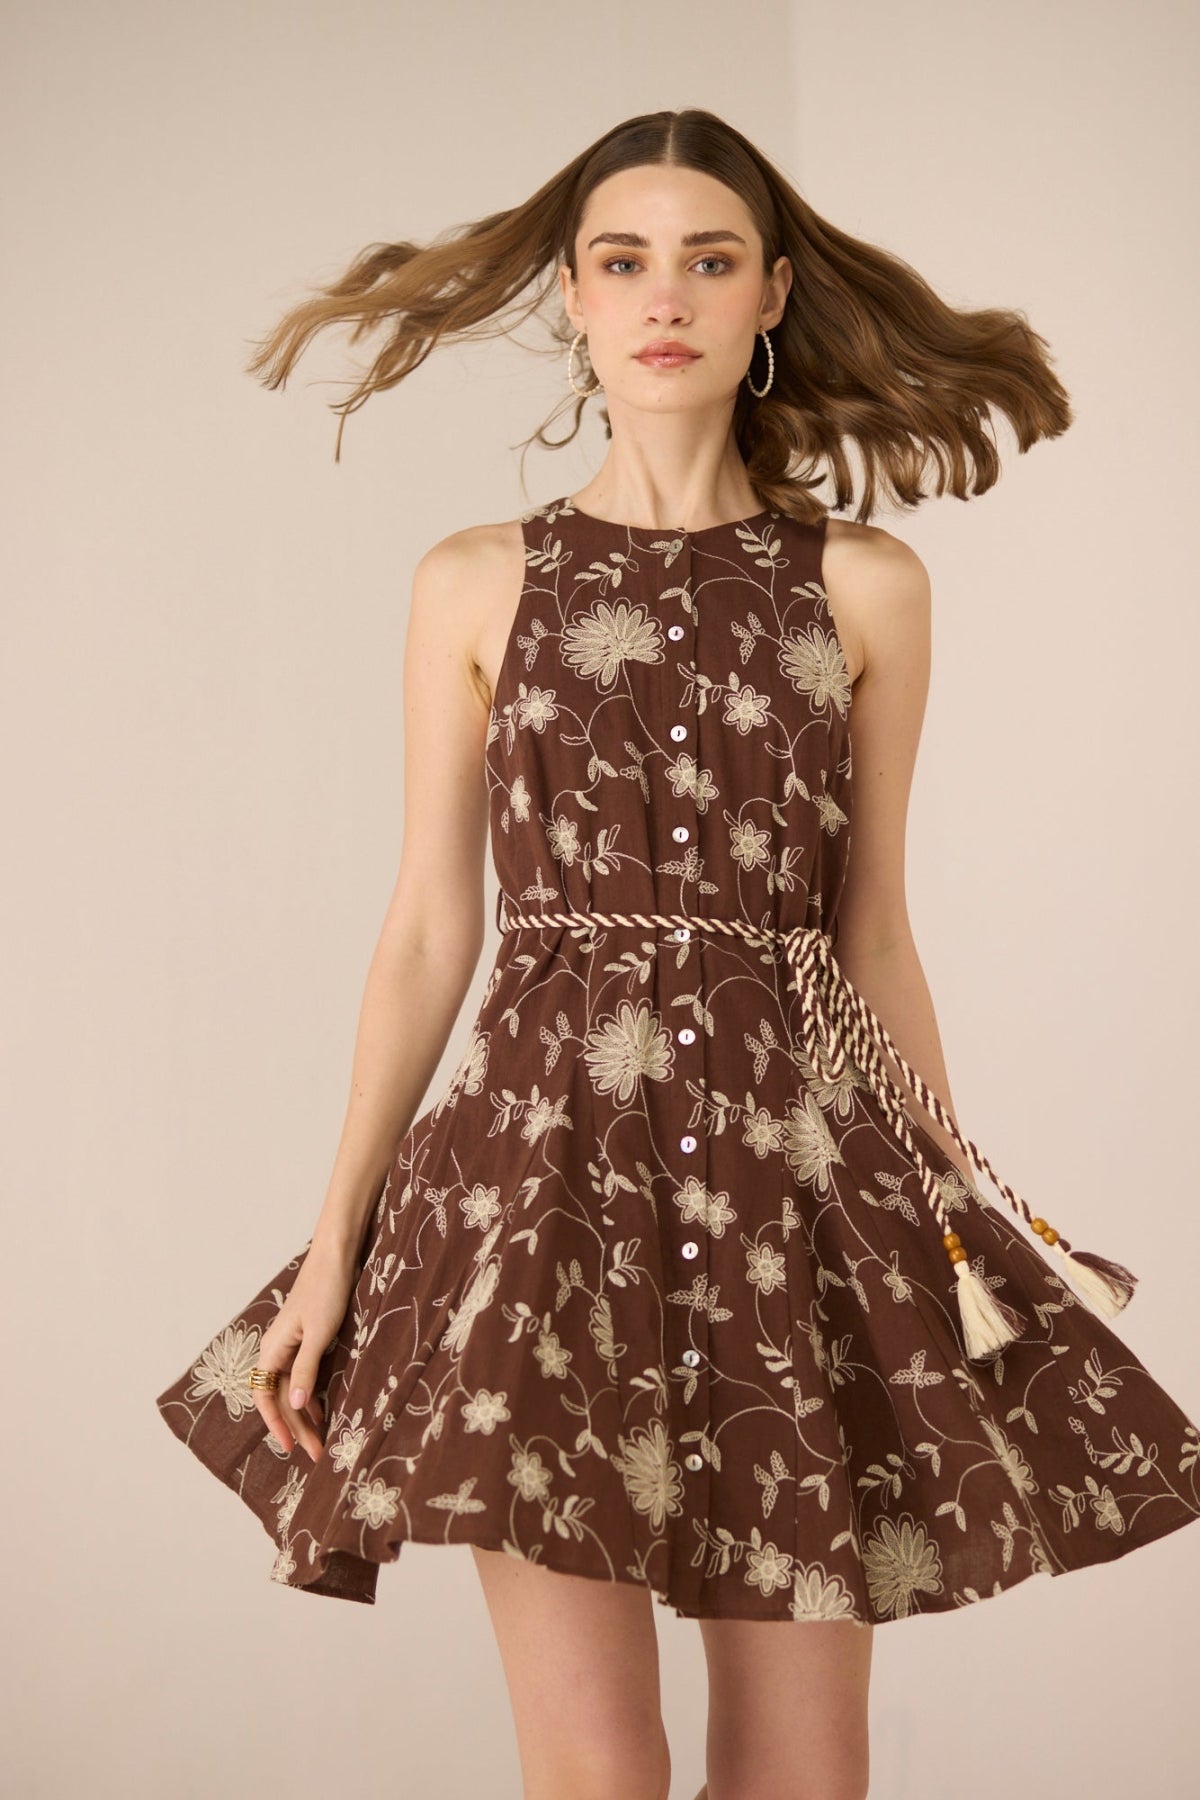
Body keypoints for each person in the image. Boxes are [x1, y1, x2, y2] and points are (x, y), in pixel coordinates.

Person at [156, 108, 1200, 1800]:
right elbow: (433, 925)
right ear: (571, 298)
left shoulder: (867, 586)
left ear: (772, 293)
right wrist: (336, 1240)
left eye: (710, 259)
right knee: (596, 1779)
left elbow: (872, 926)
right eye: (624, 261)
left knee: (805, 1780)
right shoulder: (474, 583)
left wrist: (945, 1223)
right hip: (536, 1193)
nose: (667, 295)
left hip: (796, 1187)